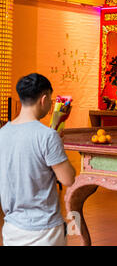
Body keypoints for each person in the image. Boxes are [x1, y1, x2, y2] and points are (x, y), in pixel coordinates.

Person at [0, 73, 76, 246]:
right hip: (45, 232)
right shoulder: (47, 137)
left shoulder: (2, 134)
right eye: (50, 99)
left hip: (12, 229)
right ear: (44, 99)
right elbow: (68, 179)